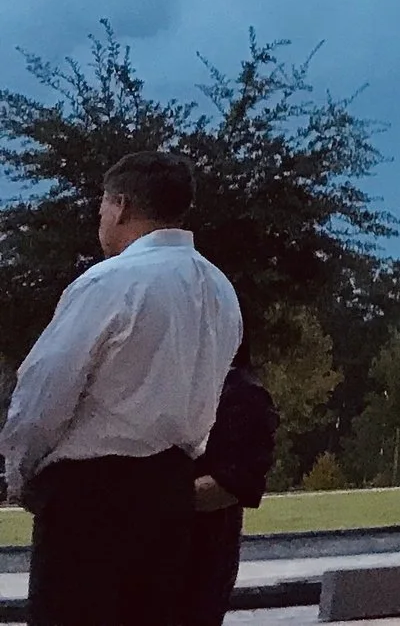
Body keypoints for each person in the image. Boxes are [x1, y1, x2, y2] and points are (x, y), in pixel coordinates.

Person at [0, 150, 243, 626]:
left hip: (92, 497)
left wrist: (22, 469)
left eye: (102, 209)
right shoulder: (219, 290)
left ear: (121, 206)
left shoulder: (111, 282)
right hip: (173, 490)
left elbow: (45, 390)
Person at [175, 313, 278, 626]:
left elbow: (234, 483)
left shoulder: (241, 394)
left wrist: (149, 499)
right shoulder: (179, 386)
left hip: (198, 557)